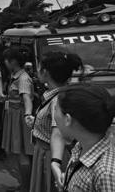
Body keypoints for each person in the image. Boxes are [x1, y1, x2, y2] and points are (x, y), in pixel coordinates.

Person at [55, 84, 115, 191]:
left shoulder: (108, 176)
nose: (54, 115)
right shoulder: (82, 146)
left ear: (68, 119)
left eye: (55, 109)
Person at [28, 51, 81, 192]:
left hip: (50, 155)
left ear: (45, 72)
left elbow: (58, 132)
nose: (37, 70)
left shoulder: (57, 100)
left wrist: (55, 163)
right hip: (46, 153)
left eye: (39, 67)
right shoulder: (56, 95)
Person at [2, 46, 35, 192]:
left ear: (13, 61)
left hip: (20, 119)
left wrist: (27, 115)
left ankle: (26, 187)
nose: (5, 64)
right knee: (20, 153)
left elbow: (27, 98)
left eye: (6, 61)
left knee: (22, 153)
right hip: (15, 117)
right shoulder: (16, 76)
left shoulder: (23, 79)